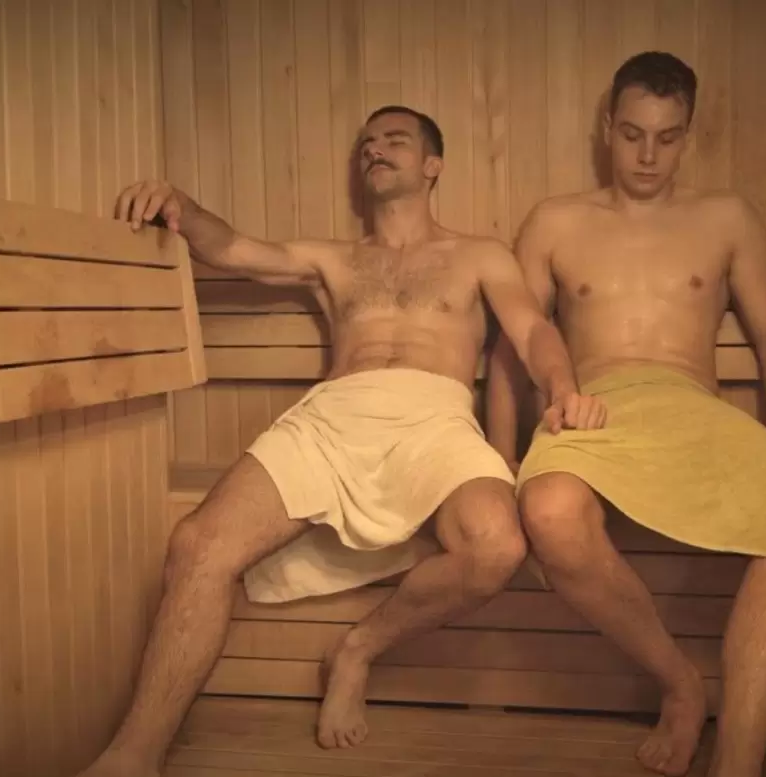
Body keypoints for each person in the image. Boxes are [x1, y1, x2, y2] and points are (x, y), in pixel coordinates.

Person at [80, 105, 605, 777]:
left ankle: (359, 647)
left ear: (433, 165)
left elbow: (532, 330)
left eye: (395, 140)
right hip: (334, 416)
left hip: (435, 421)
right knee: (197, 545)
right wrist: (180, 204)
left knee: (496, 545)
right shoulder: (333, 258)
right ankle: (133, 754)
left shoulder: (479, 254)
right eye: (367, 144)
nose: (376, 150)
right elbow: (234, 249)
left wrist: (562, 388)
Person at [485, 52, 766, 777]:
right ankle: (680, 682)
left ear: (688, 133)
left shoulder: (726, 218)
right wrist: (502, 454)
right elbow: (513, 344)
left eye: (667, 136)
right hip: (593, 406)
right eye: (632, 135)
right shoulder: (556, 221)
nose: (648, 155)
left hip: (694, 408)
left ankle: (738, 763)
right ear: (607, 126)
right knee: (550, 511)